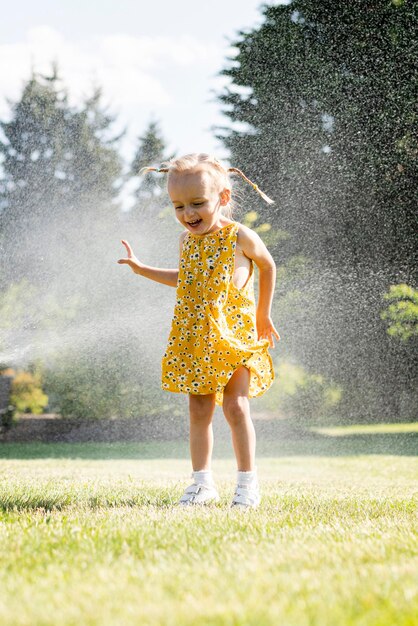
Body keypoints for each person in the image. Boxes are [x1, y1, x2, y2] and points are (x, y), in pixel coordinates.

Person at [117, 153, 280, 508]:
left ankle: (247, 484)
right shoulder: (186, 242)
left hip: (235, 336)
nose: (187, 214)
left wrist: (263, 316)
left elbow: (267, 267)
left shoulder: (239, 236)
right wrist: (143, 269)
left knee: (236, 406)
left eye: (197, 203)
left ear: (221, 198)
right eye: (178, 206)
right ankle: (202, 484)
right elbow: (186, 280)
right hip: (196, 337)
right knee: (198, 410)